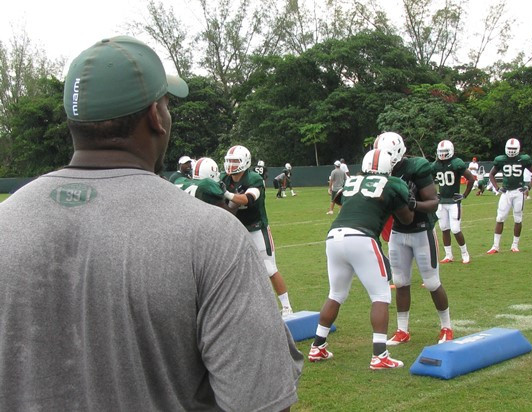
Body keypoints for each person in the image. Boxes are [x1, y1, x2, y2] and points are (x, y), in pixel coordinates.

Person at [0, 36, 302, 411]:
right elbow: (260, 402)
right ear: (155, 118)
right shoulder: (211, 235)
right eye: (165, 104)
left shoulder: (5, 220)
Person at [308, 149, 414, 369]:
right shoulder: (393, 183)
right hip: (362, 237)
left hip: (334, 237)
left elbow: (342, 201)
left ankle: (317, 346)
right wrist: (407, 202)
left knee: (335, 294)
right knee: (381, 295)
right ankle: (380, 355)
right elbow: (406, 218)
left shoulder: (352, 180)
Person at [374, 132, 453, 345]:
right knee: (400, 282)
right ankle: (402, 330)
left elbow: (433, 202)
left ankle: (447, 327)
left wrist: (412, 204)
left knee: (432, 282)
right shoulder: (380, 170)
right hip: (398, 233)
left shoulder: (416, 167)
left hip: (421, 230)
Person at [220, 145, 294, 316]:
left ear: (245, 162)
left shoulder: (254, 178)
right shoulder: (224, 178)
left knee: (269, 268)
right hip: (234, 229)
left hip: (256, 227)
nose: (231, 165)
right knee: (233, 270)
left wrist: (226, 194)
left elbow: (247, 199)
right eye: (229, 161)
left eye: (235, 161)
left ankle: (287, 307)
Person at [487, 138, 532, 254]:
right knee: (500, 218)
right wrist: (497, 187)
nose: (511, 151)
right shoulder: (501, 160)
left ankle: (515, 245)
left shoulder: (523, 159)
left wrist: (529, 187)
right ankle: (495, 246)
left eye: (513, 149)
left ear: (518, 149)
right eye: (509, 149)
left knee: (518, 219)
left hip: (518, 192)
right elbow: (491, 174)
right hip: (506, 192)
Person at [431, 140, 475, 264]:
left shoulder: (457, 163)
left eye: (445, 152)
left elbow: (470, 179)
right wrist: (434, 194)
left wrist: (464, 195)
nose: (443, 155)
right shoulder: (436, 165)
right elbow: (428, 181)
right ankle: (448, 255)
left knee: (455, 229)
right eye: (441, 152)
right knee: (444, 228)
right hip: (442, 202)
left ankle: (465, 253)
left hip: (453, 202)